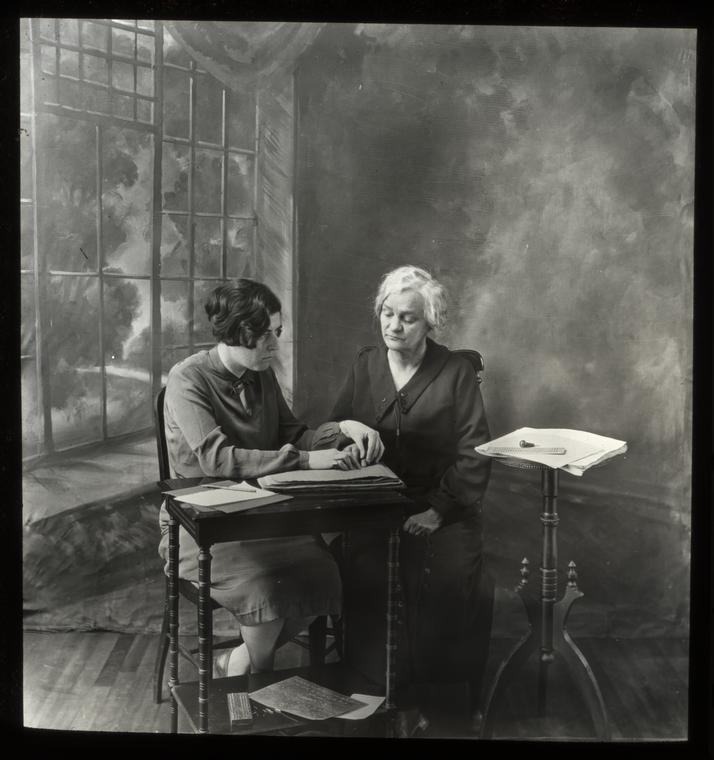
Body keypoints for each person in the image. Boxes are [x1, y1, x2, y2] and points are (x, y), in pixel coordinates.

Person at [157, 278, 383, 676]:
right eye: (264, 337)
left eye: (276, 333)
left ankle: (240, 662)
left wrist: (346, 428)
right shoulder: (186, 379)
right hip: (201, 527)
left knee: (323, 572)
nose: (275, 346)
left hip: (263, 517)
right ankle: (259, 683)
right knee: (265, 586)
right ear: (235, 333)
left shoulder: (260, 373)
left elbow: (293, 435)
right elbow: (217, 459)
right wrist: (308, 462)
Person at [329, 265, 493, 734]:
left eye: (407, 318)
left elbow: (475, 453)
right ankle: (379, 693)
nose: (393, 326)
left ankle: (420, 697)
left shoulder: (456, 372)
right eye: (387, 313)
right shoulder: (365, 364)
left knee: (439, 580)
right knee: (367, 573)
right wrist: (346, 436)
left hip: (443, 506)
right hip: (373, 503)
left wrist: (438, 510)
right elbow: (333, 426)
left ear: (430, 323)